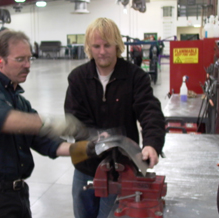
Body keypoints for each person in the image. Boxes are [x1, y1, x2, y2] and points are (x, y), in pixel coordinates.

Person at [0, 29, 72, 218]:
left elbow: (45, 141)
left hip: (17, 195)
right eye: (20, 59)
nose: (27, 65)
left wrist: (84, 149)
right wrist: (52, 122)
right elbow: (1, 119)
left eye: (29, 59)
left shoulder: (20, 102)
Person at [64, 17, 165, 218]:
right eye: (96, 46)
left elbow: (150, 111)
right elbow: (75, 119)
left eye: (107, 45)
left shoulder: (135, 76)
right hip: (85, 165)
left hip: (122, 168)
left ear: (118, 45)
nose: (102, 51)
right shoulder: (77, 78)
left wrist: (152, 144)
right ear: (89, 47)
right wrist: (99, 140)